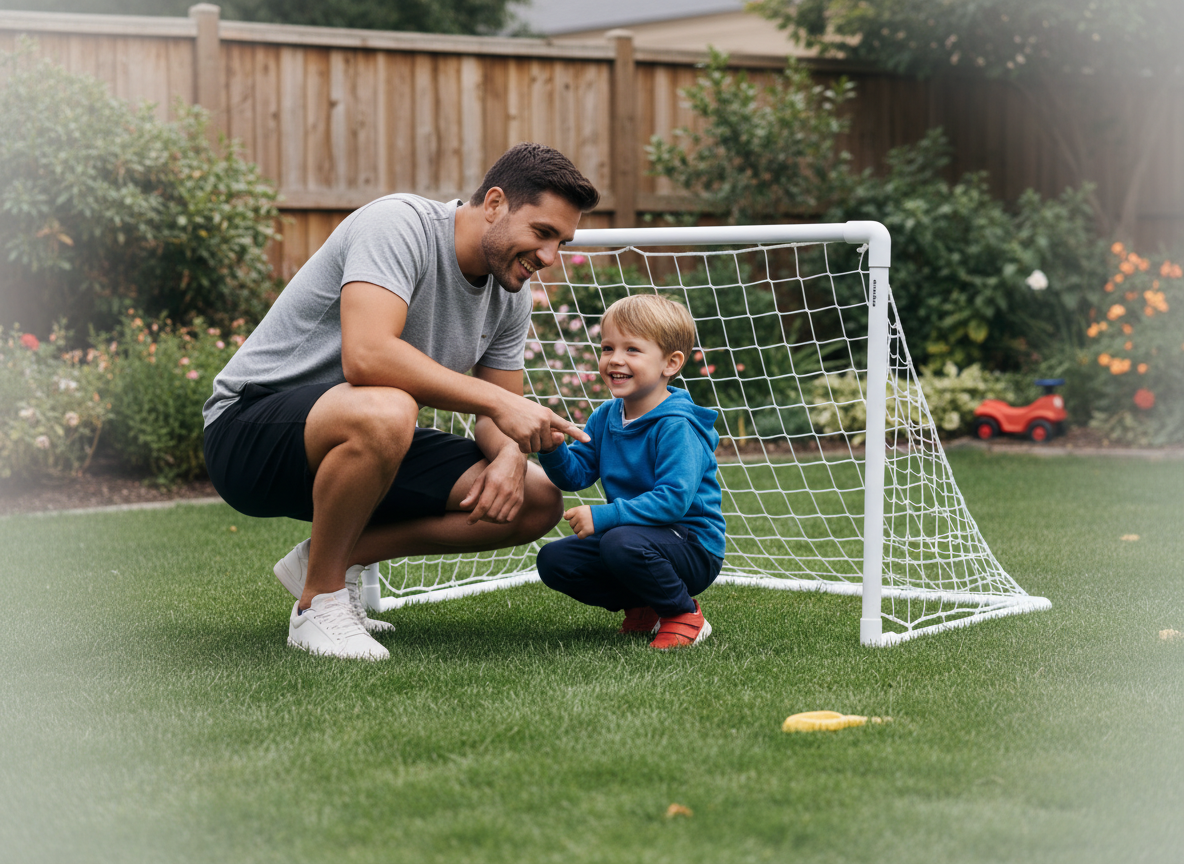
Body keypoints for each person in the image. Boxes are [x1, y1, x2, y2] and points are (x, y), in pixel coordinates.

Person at [202, 143, 599, 661]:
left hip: (362, 436)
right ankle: (317, 606)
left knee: (536, 496)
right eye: (542, 233)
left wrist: (508, 454)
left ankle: (328, 561)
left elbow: (498, 415)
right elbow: (366, 356)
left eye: (561, 242)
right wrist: (500, 406)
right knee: (389, 407)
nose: (548, 257)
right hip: (249, 429)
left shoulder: (511, 295)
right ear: (496, 203)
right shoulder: (400, 223)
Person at [534, 294, 726, 648]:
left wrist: (605, 515)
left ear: (671, 363)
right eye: (608, 347)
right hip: (634, 539)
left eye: (632, 350)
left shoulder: (676, 425)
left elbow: (673, 501)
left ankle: (684, 614)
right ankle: (642, 605)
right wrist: (553, 448)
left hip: (692, 546)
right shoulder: (607, 416)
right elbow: (575, 475)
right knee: (555, 560)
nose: (615, 359)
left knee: (620, 541)